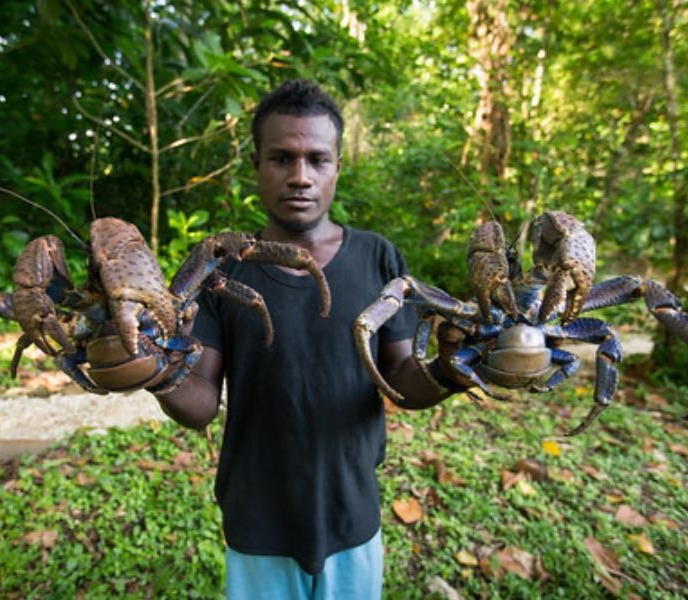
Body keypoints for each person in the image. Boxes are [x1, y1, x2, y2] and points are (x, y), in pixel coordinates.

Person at [154, 79, 462, 599]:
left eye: (317, 159)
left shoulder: (378, 259)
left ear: (338, 166)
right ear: (256, 164)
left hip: (352, 511)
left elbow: (404, 382)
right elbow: (201, 403)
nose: (300, 177)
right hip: (257, 517)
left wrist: (453, 367)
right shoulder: (220, 268)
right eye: (281, 158)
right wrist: (154, 370)